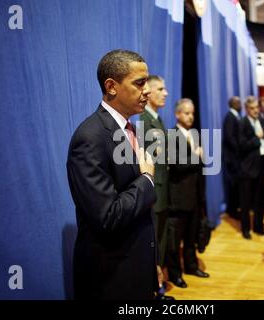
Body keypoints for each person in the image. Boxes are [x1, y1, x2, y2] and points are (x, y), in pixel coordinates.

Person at [67, 49, 158, 299]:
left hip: (137, 269)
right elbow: (108, 216)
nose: (147, 90)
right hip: (111, 279)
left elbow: (139, 213)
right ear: (111, 87)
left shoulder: (129, 129)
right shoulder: (89, 138)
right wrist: (147, 180)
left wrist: (152, 263)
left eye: (147, 82)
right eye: (140, 83)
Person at [166, 98, 209, 288]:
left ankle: (191, 266)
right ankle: (175, 274)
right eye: (186, 113)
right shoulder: (171, 135)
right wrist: (197, 156)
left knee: (191, 237)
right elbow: (176, 164)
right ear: (177, 114)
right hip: (178, 197)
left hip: (195, 196)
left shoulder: (194, 135)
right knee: (176, 240)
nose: (190, 116)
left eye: (192, 113)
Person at [139, 75, 174, 300]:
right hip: (155, 191)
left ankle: (157, 288)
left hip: (163, 189)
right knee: (153, 243)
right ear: (149, 92)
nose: (166, 93)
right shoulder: (144, 120)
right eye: (160, 89)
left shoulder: (157, 119)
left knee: (160, 240)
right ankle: (152, 290)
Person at [238, 96, 264, 239]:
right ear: (247, 109)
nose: (255, 110)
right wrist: (256, 138)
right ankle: (246, 229)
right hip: (248, 168)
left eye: (257, 107)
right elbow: (241, 145)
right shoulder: (242, 123)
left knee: (261, 200)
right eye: (252, 108)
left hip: (263, 164)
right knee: (246, 202)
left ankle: (259, 226)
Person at [222, 96, 242, 220]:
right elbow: (229, 137)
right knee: (233, 185)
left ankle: (235, 208)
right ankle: (232, 210)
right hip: (232, 157)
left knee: (236, 185)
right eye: (238, 102)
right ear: (233, 104)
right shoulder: (230, 117)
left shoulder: (235, 116)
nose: (240, 104)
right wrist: (239, 149)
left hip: (235, 157)